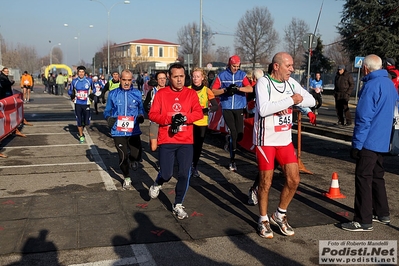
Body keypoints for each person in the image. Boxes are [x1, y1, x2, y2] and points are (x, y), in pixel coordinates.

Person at [253, 52, 315, 239]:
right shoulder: (264, 83)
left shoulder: (291, 83)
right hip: (266, 141)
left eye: (292, 66)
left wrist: (295, 101)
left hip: (284, 140)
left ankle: (279, 215)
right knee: (266, 182)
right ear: (276, 66)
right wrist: (290, 100)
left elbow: (310, 100)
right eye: (288, 66)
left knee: (294, 180)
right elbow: (263, 109)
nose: (292, 69)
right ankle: (263, 219)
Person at [340, 54, 398, 232]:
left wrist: (356, 144)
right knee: (377, 176)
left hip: (369, 140)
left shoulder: (371, 86)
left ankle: (363, 220)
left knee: (363, 178)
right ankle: (382, 213)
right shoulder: (389, 84)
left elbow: (364, 119)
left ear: (365, 68)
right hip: (383, 139)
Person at [148, 63, 203, 220]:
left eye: (182, 76)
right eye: (175, 77)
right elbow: (152, 115)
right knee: (166, 173)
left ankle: (178, 204)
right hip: (167, 139)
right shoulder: (161, 94)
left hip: (186, 141)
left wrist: (185, 118)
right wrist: (169, 119)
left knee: (185, 174)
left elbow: (198, 113)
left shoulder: (191, 94)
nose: (179, 80)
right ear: (169, 77)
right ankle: (158, 182)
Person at [103, 69, 145, 190]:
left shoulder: (137, 93)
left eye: (129, 80)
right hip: (118, 130)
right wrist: (108, 118)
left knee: (134, 155)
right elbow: (107, 111)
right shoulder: (113, 94)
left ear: (132, 80)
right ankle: (127, 177)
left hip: (134, 131)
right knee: (122, 157)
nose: (126, 83)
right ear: (120, 80)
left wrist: (141, 116)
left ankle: (134, 160)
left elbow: (141, 109)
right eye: (124, 80)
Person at [211, 55, 253, 171]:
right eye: (234, 66)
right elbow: (213, 91)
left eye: (237, 66)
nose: (235, 68)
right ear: (229, 65)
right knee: (234, 132)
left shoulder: (242, 75)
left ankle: (230, 139)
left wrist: (238, 89)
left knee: (239, 134)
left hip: (239, 107)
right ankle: (232, 160)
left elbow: (250, 89)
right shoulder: (222, 76)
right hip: (227, 107)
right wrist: (225, 90)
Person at [189, 67, 218, 178]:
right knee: (189, 145)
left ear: (202, 78)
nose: (195, 79)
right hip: (190, 122)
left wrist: (207, 109)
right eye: (194, 76)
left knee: (198, 146)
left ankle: (194, 166)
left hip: (202, 122)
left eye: (198, 76)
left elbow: (215, 106)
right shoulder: (188, 89)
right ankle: (187, 164)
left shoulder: (207, 90)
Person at [68, 65, 93, 143]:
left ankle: (83, 124)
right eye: (80, 72)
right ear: (77, 73)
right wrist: (72, 95)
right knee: (78, 119)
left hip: (86, 103)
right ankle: (81, 135)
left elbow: (94, 89)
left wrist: (92, 95)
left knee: (86, 122)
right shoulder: (74, 81)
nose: (81, 73)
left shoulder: (89, 80)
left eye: (82, 72)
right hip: (78, 103)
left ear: (84, 73)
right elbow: (70, 91)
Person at [143, 71, 167, 153]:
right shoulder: (152, 92)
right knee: (153, 147)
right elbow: (145, 104)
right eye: (160, 79)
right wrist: (150, 111)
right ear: (157, 80)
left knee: (165, 144)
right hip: (155, 121)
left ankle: (162, 162)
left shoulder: (169, 90)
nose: (162, 80)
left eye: (164, 78)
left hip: (166, 121)